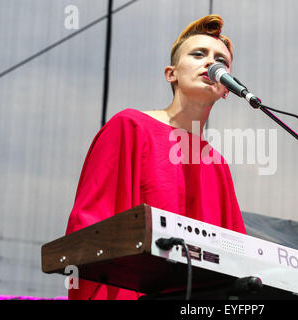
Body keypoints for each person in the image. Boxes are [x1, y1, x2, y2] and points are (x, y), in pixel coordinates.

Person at [65, 14, 247, 300]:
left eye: (221, 61)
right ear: (170, 73)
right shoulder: (130, 126)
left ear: (226, 89)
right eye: (198, 54)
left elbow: (238, 259)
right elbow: (89, 228)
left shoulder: (217, 164)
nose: (212, 63)